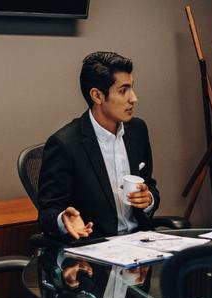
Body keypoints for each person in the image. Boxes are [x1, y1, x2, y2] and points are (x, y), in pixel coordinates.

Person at [37, 51, 160, 240]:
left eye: (132, 88)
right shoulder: (65, 144)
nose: (133, 98)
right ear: (97, 95)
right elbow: (47, 213)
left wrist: (148, 199)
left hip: (141, 243)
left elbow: (149, 184)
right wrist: (63, 219)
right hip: (96, 249)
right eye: (123, 90)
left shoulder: (137, 130)